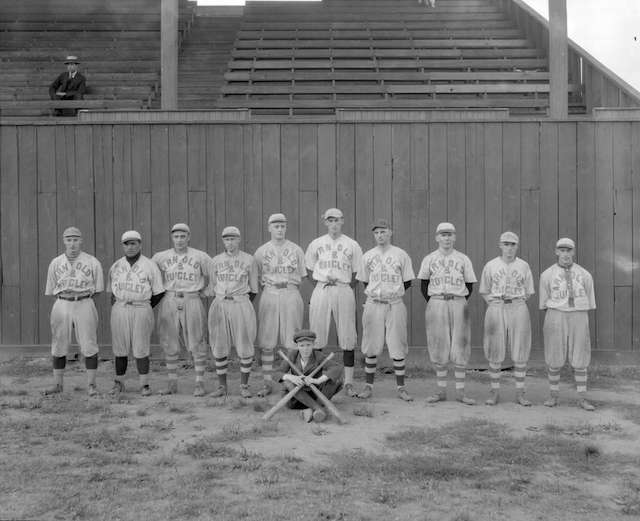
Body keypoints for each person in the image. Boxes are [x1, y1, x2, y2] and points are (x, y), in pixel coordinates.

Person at [305, 208, 363, 397]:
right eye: (330, 220)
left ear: (343, 221)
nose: (334, 224)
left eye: (337, 220)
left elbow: (357, 273)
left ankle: (348, 382)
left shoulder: (352, 244)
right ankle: (316, 380)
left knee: (347, 335)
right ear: (325, 222)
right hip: (322, 288)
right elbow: (308, 268)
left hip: (343, 287)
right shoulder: (316, 243)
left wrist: (345, 287)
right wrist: (322, 284)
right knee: (317, 333)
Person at [355, 219, 415, 401]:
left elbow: (407, 281)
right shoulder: (368, 256)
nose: (380, 235)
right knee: (371, 345)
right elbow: (365, 280)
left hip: (394, 303)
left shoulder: (401, 254)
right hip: (374, 303)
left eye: (383, 231)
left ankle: (401, 388)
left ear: (390, 232)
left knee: (397, 344)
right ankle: (368, 386)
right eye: (376, 233)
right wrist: (377, 294)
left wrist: (391, 293)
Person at [418, 222, 477, 405]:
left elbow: (469, 285)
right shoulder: (429, 258)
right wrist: (436, 302)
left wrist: (457, 299)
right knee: (438, 346)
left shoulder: (463, 259)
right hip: (436, 302)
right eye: (443, 234)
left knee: (460, 345)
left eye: (450, 234)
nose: (447, 238)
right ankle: (441, 391)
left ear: (455, 237)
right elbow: (424, 284)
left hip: (458, 301)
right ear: (437, 237)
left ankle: (460, 393)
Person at [43, 227, 103, 396]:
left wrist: (82, 298)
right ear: (64, 241)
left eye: (75, 239)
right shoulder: (55, 262)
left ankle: (92, 385)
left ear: (81, 240)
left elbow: (98, 289)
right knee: (58, 344)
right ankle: (57, 384)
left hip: (84, 301)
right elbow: (52, 288)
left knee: (89, 344)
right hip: (62, 302)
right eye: (69, 240)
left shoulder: (92, 261)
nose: (72, 243)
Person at [152, 223, 211, 396]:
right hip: (170, 297)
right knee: (169, 340)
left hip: (191, 297)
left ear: (188, 237)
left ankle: (199, 383)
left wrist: (205, 292)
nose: (179, 240)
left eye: (183, 236)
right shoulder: (160, 257)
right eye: (176, 236)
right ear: (172, 237)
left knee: (198, 340)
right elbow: (149, 274)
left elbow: (214, 276)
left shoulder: (200, 256)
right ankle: (172, 383)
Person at [539, 238, 596, 411]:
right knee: (554, 355)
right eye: (561, 250)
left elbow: (590, 299)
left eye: (568, 250)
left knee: (580, 355)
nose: (565, 254)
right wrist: (556, 310)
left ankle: (582, 398)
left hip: (578, 314)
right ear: (556, 252)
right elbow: (544, 301)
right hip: (556, 314)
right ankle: (553, 395)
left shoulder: (585, 274)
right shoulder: (547, 274)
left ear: (573, 252)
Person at [253, 213, 306, 397]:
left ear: (286, 227)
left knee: (291, 340)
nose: (280, 229)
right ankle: (267, 382)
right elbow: (257, 278)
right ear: (269, 228)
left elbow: (302, 276)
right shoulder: (261, 252)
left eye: (283, 226)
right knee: (267, 341)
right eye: (276, 226)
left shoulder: (296, 249)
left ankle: (290, 383)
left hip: (290, 291)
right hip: (269, 292)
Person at [479, 232, 534, 406]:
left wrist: (517, 302)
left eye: (512, 244)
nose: (509, 248)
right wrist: (493, 303)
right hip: (497, 306)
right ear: (500, 245)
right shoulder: (491, 265)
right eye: (506, 244)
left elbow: (529, 291)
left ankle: (520, 393)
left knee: (520, 349)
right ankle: (494, 392)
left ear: (517, 246)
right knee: (495, 350)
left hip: (517, 306)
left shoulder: (523, 266)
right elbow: (484, 289)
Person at [107, 230, 164, 397]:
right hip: (121, 307)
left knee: (141, 348)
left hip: (141, 307)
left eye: (133, 243)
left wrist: (145, 306)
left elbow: (159, 292)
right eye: (126, 244)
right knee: (120, 348)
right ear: (122, 246)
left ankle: (144, 385)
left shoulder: (150, 265)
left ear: (140, 244)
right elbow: (112, 292)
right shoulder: (116, 265)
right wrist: (119, 305)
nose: (130, 247)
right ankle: (119, 383)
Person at [207, 226, 259, 398]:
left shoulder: (249, 259)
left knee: (244, 344)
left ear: (239, 239)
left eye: (233, 239)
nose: (230, 242)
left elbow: (254, 289)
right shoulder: (215, 260)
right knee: (219, 344)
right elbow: (214, 285)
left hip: (241, 302)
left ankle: (244, 386)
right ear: (223, 241)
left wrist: (241, 303)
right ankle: (222, 387)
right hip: (220, 303)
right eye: (227, 239)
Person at [277, 329, 343, 422]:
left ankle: (310, 409)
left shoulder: (318, 355)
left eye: (308, 345)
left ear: (313, 345)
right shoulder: (292, 355)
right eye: (302, 346)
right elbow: (277, 373)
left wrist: (317, 380)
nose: (305, 349)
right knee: (287, 382)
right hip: (296, 397)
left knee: (336, 380)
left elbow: (337, 368)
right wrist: (291, 377)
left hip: (315, 394)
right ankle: (317, 408)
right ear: (297, 346)